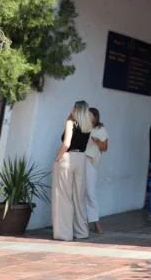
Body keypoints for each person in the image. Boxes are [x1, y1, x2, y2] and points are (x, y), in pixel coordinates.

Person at [52, 100, 93, 241]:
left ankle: (65, 233)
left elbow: (66, 144)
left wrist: (56, 159)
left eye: (73, 108)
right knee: (79, 197)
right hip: (81, 159)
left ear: (77, 110)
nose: (71, 110)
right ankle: (82, 232)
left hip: (67, 158)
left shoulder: (70, 123)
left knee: (64, 196)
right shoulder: (88, 125)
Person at [85, 107, 109, 233]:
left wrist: (98, 141)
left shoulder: (101, 130)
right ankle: (77, 222)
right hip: (79, 158)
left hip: (90, 161)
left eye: (90, 115)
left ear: (95, 116)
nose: (88, 116)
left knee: (90, 192)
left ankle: (95, 221)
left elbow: (105, 148)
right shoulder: (83, 127)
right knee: (76, 190)